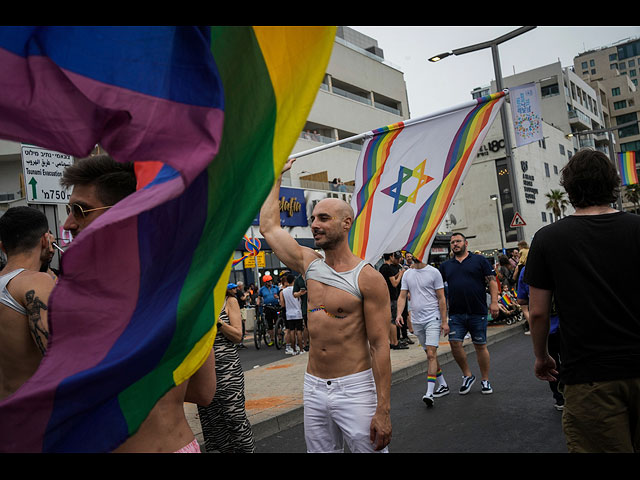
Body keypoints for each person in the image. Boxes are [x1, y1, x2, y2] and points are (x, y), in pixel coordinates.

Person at [60, 154, 216, 453]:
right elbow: (203, 390)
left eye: (81, 210)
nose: (69, 223)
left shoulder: (78, 298)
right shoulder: (183, 289)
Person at [259, 158, 392, 453]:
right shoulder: (309, 264)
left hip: (355, 388)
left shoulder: (367, 278)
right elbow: (269, 227)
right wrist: (276, 175)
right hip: (314, 386)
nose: (315, 224)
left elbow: (380, 344)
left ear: (346, 223)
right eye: (314, 218)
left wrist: (383, 409)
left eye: (323, 218)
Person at [525, 148, 640, 453]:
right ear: (611, 184)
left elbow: (537, 312)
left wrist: (542, 357)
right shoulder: (636, 227)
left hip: (590, 377)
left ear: (570, 187)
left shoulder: (548, 238)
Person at [0, 207, 56, 400]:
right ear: (45, 240)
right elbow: (56, 353)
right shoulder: (35, 282)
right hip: (31, 410)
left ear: (3, 247)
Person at [197, 283, 255, 453]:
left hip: (228, 370)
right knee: (214, 425)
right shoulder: (197, 304)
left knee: (235, 418)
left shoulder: (229, 301)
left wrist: (218, 323)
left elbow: (238, 336)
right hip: (203, 371)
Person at [439, 232, 499, 395]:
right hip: (456, 314)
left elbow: (492, 281)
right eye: (452, 242)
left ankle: (485, 380)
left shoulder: (479, 260)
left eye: (458, 241)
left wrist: (494, 303)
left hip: (477, 311)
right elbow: (438, 290)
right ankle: (467, 375)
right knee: (455, 344)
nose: (455, 244)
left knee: (480, 346)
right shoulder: (446, 266)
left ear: (466, 243)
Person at [395, 253, 449, 407]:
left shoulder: (434, 272)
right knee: (430, 355)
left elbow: (441, 298)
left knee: (431, 354)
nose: (411, 255)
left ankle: (429, 393)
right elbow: (402, 296)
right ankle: (443, 384)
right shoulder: (407, 274)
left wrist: (444, 321)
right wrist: (399, 314)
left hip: (433, 318)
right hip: (418, 320)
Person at [517, 267, 563, 411]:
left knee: (551, 365)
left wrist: (540, 354)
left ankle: (560, 398)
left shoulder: (528, 269)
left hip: (546, 328)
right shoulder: (566, 258)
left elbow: (522, 299)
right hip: (570, 325)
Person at [379, 252, 408, 350]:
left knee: (390, 320)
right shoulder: (387, 267)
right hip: (391, 297)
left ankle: (392, 342)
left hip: (386, 297)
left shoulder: (382, 268)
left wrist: (398, 274)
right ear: (391, 257)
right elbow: (394, 283)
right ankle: (395, 342)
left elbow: (389, 279)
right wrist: (401, 274)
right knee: (393, 321)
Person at [280, 274, 305, 355]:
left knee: (291, 331)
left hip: (289, 313)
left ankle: (293, 350)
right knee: (299, 332)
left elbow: (282, 304)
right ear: (294, 281)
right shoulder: (296, 290)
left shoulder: (283, 291)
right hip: (298, 312)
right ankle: (301, 349)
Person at [257, 274, 280, 346]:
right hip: (267, 307)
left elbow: (281, 296)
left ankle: (279, 339)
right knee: (270, 324)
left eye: (270, 281)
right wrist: (258, 303)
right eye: (268, 281)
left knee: (277, 323)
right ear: (265, 282)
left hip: (275, 307)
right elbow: (259, 297)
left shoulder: (276, 287)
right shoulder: (262, 289)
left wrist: (278, 297)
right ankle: (272, 339)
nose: (270, 282)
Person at [292, 273, 309, 351]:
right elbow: (294, 294)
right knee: (307, 327)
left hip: (318, 307)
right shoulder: (298, 280)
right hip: (305, 308)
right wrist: (300, 293)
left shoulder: (314, 274)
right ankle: (306, 344)